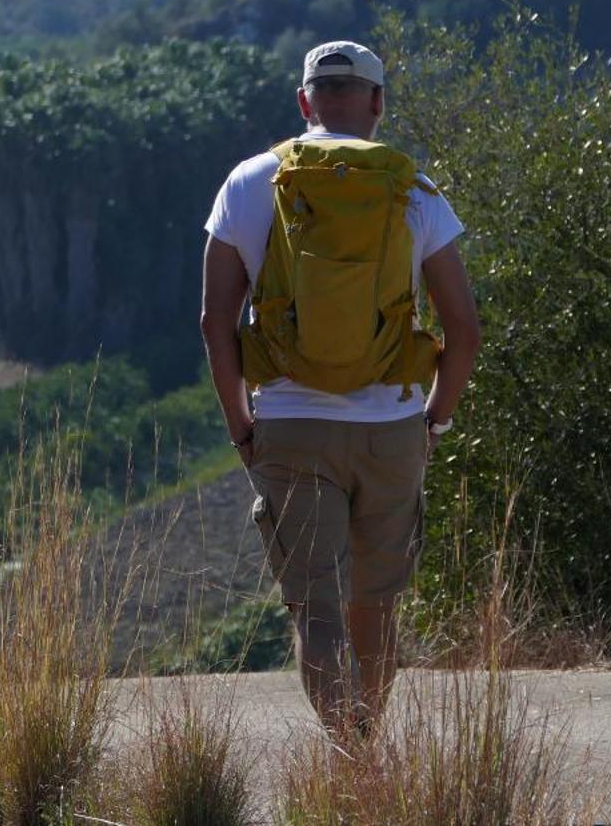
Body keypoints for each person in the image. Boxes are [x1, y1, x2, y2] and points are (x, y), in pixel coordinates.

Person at [200, 40, 480, 739]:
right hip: (392, 428)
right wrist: (433, 425)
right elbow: (465, 330)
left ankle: (352, 759)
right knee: (374, 611)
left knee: (318, 616)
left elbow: (215, 322)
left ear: (304, 101)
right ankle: (366, 751)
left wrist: (243, 427)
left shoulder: (250, 182)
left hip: (291, 426)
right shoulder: (416, 191)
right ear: (378, 102)